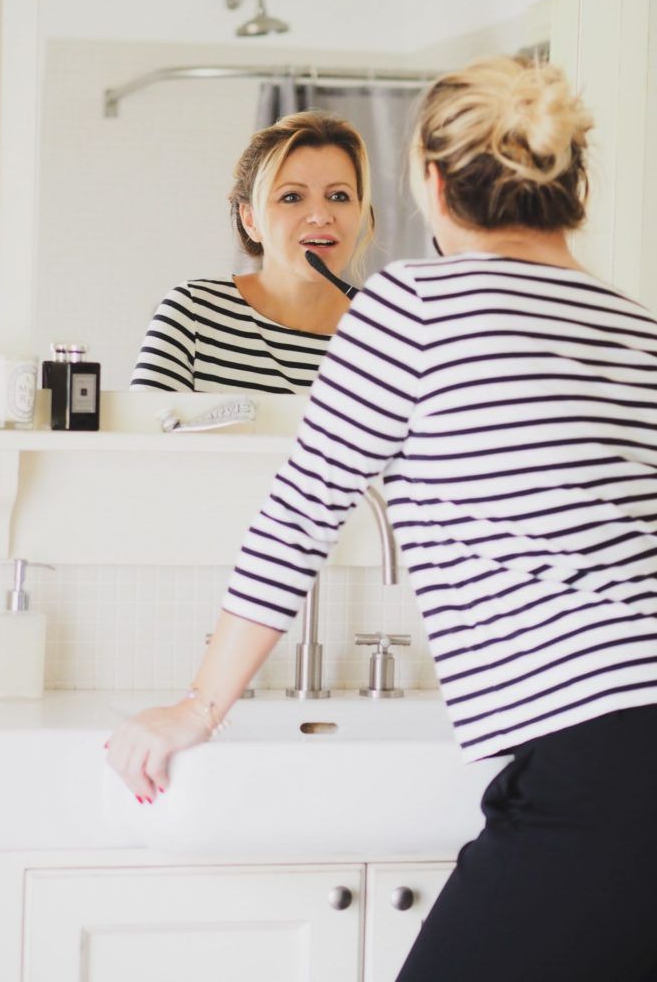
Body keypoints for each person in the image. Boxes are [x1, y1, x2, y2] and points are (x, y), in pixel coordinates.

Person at [107, 55, 657, 981]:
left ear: (430, 185)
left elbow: (298, 516)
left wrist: (198, 708)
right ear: (576, 188)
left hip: (598, 758)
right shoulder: (635, 326)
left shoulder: (413, 303)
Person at [130, 110, 374, 393]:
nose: (320, 217)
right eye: (292, 197)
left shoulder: (389, 335)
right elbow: (145, 425)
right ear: (250, 221)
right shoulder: (192, 315)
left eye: (339, 196)